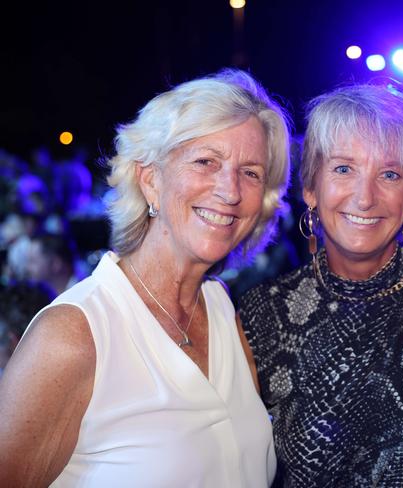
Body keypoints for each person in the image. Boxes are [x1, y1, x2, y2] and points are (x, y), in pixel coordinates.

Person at [0, 68, 291, 487]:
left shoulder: (223, 310)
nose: (230, 191)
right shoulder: (73, 334)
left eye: (251, 172)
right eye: (206, 161)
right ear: (150, 180)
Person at [237, 83, 403, 487]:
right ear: (310, 189)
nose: (365, 197)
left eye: (389, 174)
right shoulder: (260, 315)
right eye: (343, 169)